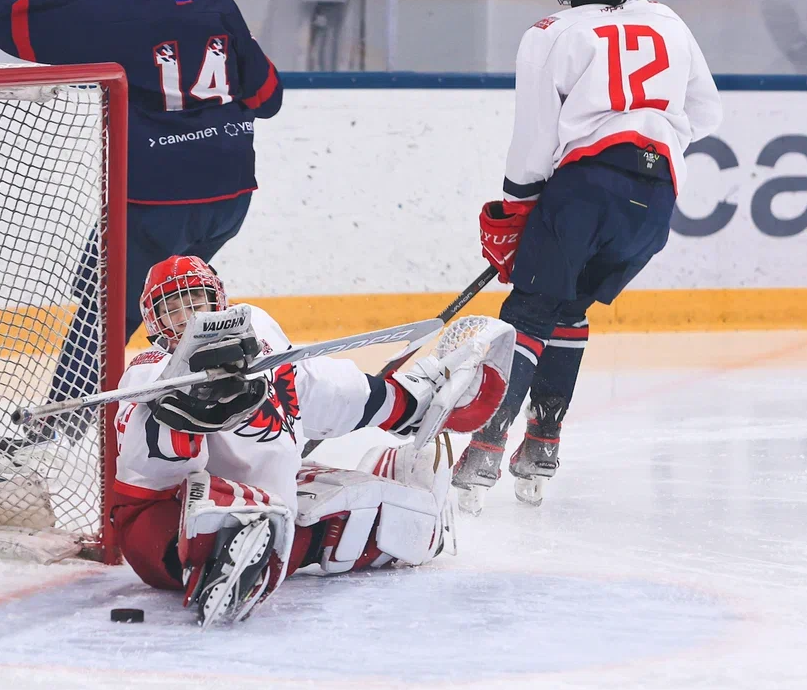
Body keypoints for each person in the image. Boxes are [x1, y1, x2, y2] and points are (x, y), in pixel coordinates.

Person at [0, 0, 283, 468]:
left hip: (155, 202)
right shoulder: (219, 7)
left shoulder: (107, 10)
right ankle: (209, 401)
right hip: (228, 200)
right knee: (172, 302)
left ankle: (62, 436)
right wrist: (220, 30)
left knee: (103, 310)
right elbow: (267, 100)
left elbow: (9, 23)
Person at [453, 0, 723, 513]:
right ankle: (542, 444)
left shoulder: (552, 31)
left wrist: (514, 209)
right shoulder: (671, 22)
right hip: (655, 200)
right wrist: (645, 134)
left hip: (584, 190)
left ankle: (486, 448)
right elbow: (706, 116)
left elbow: (534, 140)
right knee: (570, 309)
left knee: (527, 310)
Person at [112, 255, 516, 625]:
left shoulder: (260, 339)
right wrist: (184, 411)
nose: (188, 315)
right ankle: (238, 547)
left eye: (196, 299)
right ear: (155, 323)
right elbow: (148, 464)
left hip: (266, 500)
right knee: (230, 510)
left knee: (357, 511)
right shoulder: (150, 372)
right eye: (172, 308)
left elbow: (320, 388)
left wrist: (405, 405)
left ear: (218, 300)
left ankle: (265, 543)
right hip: (160, 525)